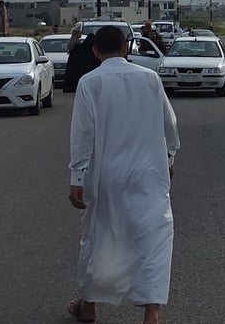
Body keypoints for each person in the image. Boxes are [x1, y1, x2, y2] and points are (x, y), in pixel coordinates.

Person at [67, 25, 180, 324]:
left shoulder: (90, 83)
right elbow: (170, 124)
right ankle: (151, 312)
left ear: (95, 51)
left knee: (99, 238)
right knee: (153, 239)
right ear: (125, 48)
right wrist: (170, 157)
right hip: (149, 174)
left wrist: (76, 178)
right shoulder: (150, 79)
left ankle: (89, 305)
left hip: (106, 177)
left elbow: (83, 134)